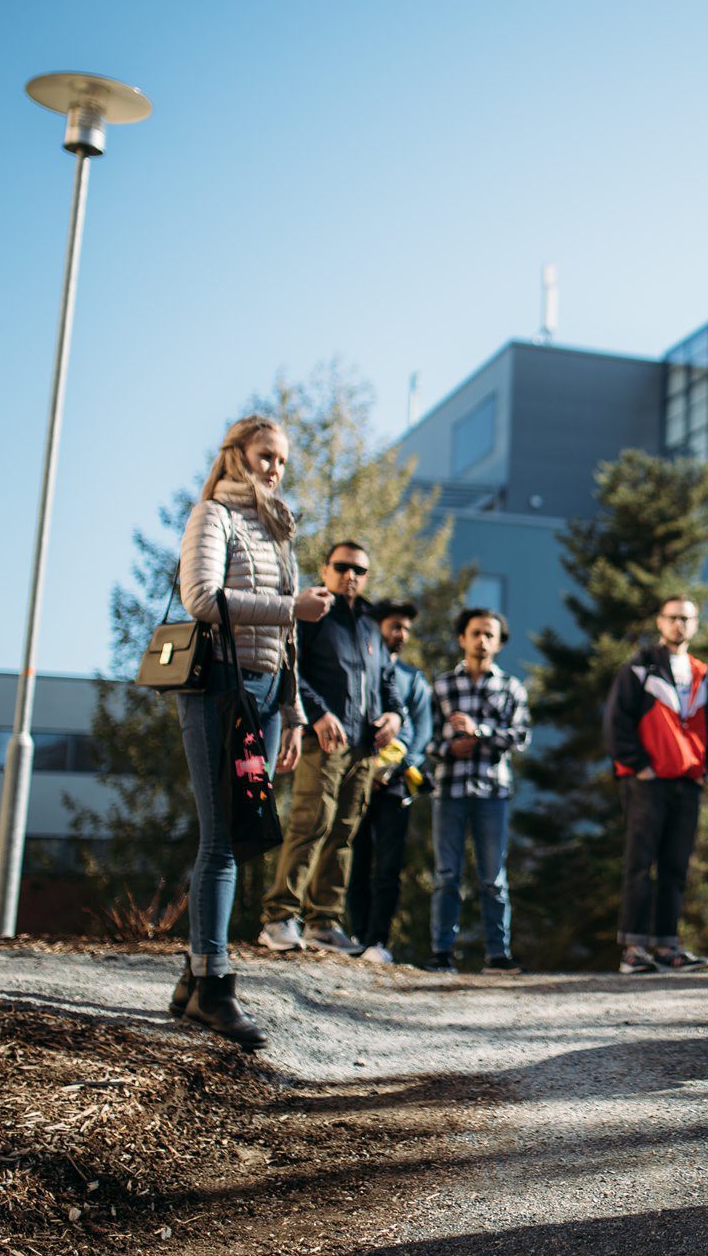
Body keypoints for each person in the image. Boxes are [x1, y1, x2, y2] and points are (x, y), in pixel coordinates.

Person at [170, 414, 328, 1050]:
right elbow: (201, 599)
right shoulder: (213, 516)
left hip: (265, 694)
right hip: (217, 689)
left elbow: (287, 638)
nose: (275, 469)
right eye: (266, 456)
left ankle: (192, 979)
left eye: (282, 460)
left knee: (238, 835)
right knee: (222, 840)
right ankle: (213, 988)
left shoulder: (277, 528)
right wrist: (293, 607)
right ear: (236, 455)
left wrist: (293, 713)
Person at [259, 542, 404, 955]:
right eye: (341, 567)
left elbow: (387, 681)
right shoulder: (312, 613)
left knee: (344, 832)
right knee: (311, 823)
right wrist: (319, 714)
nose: (350, 576)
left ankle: (323, 922)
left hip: (364, 748)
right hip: (323, 742)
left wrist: (394, 716)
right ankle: (279, 917)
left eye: (359, 570)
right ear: (325, 570)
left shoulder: (370, 625)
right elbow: (291, 668)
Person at [604, 595, 708, 974]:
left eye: (686, 618)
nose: (679, 624)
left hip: (686, 783)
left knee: (676, 866)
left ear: (695, 624)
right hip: (647, 782)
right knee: (640, 865)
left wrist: (705, 768)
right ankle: (633, 950)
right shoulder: (639, 668)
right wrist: (639, 766)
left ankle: (668, 946)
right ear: (660, 621)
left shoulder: (701, 673)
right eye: (672, 617)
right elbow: (616, 722)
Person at [426, 607, 531, 973]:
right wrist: (448, 749)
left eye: (490, 635)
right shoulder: (442, 686)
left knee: (493, 878)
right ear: (462, 639)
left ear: (499, 643)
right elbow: (425, 740)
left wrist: (480, 732)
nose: (482, 640)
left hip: (492, 792)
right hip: (449, 790)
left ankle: (497, 954)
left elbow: (521, 737)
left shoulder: (511, 687)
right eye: (475, 633)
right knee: (446, 875)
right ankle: (441, 952)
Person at [345, 600, 433, 965]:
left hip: (396, 786)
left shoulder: (414, 679)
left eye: (407, 629)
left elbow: (423, 733)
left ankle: (378, 940)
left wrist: (397, 768)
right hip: (356, 776)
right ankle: (355, 934)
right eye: (395, 626)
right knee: (354, 858)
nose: (401, 634)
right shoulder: (359, 670)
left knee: (388, 865)